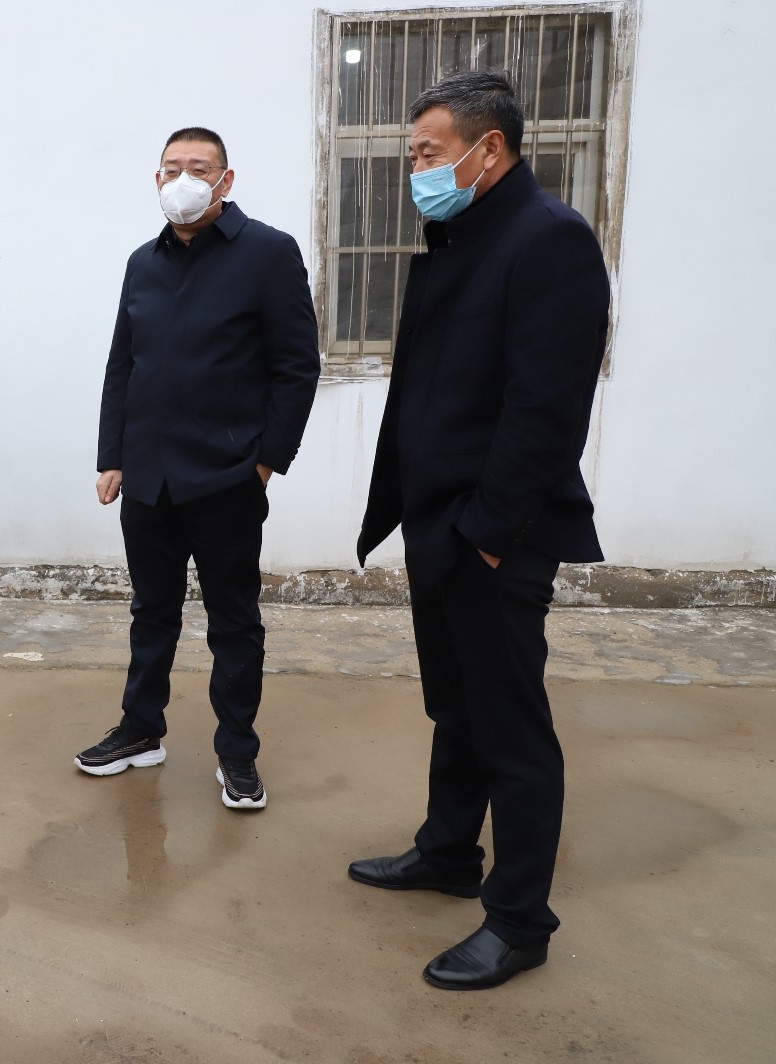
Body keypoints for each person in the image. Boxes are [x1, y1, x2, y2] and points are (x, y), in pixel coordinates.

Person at [351, 71, 610, 991]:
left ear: (488, 148)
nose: (416, 170)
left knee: (511, 730)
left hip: (494, 532)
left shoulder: (548, 240)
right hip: (444, 523)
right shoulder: (467, 236)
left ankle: (520, 921)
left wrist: (490, 531)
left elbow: (547, 407)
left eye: (428, 153)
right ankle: (449, 852)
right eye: (413, 155)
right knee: (456, 707)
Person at [83, 128, 320, 810]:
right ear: (156, 179)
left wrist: (267, 462)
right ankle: (140, 729)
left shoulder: (268, 253)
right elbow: (123, 363)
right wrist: (112, 456)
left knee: (233, 621)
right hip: (148, 478)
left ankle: (237, 752)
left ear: (226, 180)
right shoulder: (143, 262)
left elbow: (296, 366)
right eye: (170, 169)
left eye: (198, 168)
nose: (182, 180)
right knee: (151, 612)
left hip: (227, 478)